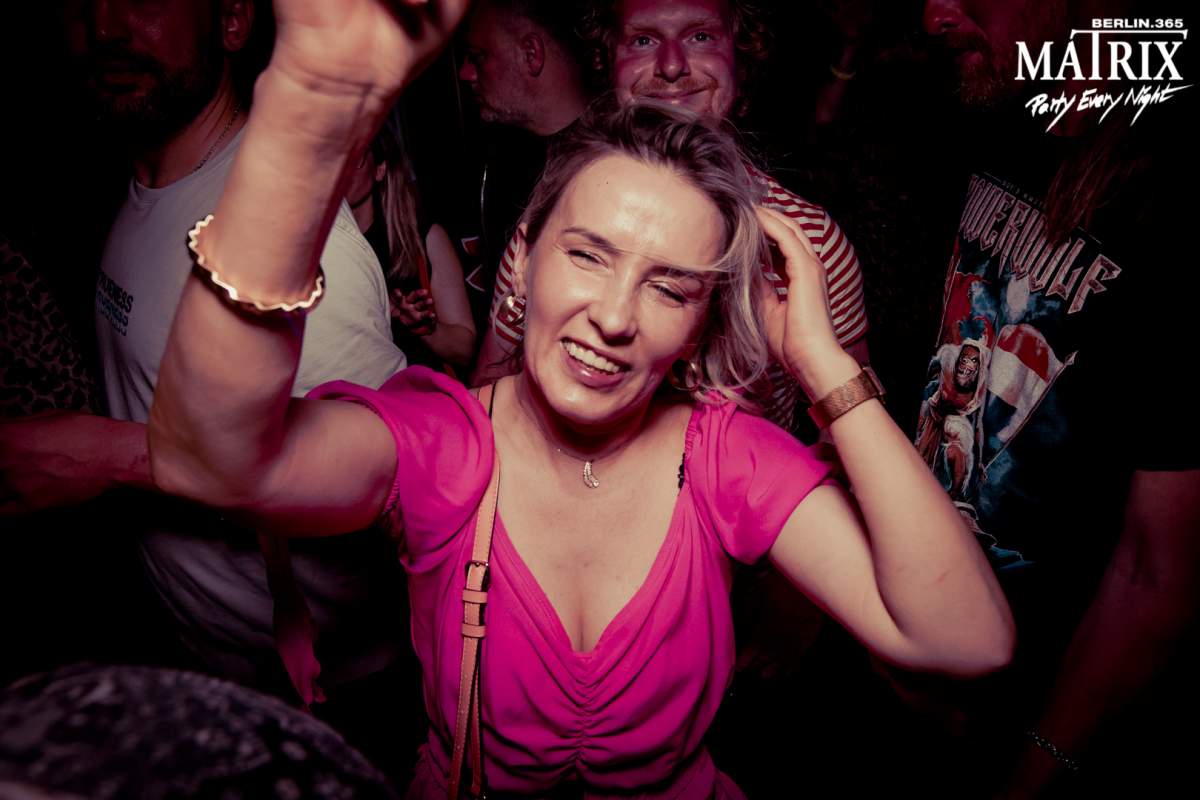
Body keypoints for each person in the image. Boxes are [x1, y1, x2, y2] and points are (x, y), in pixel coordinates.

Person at [146, 2, 1013, 795]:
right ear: (524, 262)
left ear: (701, 321)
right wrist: (306, 110)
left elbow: (965, 640)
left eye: (669, 287)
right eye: (588, 255)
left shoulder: (723, 457)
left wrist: (821, 363)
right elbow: (205, 462)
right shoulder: (448, 446)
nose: (614, 317)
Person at [1, 0, 415, 747]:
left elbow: (390, 479)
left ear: (230, 21)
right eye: (81, 2)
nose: (105, 28)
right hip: (199, 657)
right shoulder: (150, 185)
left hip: (324, 703)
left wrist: (105, 457)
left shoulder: (288, 239)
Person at [906, 0, 1200, 794]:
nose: (934, 15)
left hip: (1007, 719)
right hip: (891, 633)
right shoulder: (993, 111)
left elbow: (1155, 574)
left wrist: (1037, 767)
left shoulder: (1173, 198)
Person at [474, 0, 869, 439]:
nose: (671, 66)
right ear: (608, 58)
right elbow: (483, 418)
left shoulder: (809, 244)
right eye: (643, 40)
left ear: (739, 53)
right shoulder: (562, 223)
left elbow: (845, 450)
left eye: (700, 36)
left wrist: (816, 364)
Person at [347, 115, 477, 371]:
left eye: (355, 157)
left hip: (419, 390)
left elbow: (464, 349)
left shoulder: (423, 237)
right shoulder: (320, 250)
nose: (341, 170)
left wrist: (425, 328)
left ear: (380, 169)